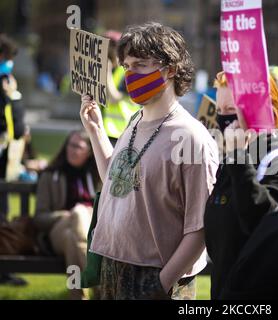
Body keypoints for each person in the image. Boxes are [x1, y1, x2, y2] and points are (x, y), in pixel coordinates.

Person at [80, 22, 218, 300]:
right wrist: (94, 131)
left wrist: (160, 285)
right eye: (127, 65)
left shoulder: (191, 138)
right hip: (112, 267)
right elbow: (116, 182)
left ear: (169, 69)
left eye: (140, 64)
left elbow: (200, 226)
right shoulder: (135, 121)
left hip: (156, 278)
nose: (130, 74)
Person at [204, 71, 278, 299]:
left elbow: (265, 229)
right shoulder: (233, 159)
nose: (223, 120)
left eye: (231, 111)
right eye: (219, 111)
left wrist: (238, 159)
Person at [33, 130, 101, 299]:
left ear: (89, 152)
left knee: (72, 238)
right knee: (78, 213)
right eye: (70, 145)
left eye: (78, 146)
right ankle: (101, 289)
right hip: (57, 232)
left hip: (88, 233)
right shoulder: (50, 176)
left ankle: (77, 296)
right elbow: (40, 218)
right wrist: (66, 215)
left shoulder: (98, 176)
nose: (72, 150)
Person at [0, 33, 26, 287]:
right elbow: (17, 127)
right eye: (5, 58)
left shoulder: (5, 85)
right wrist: (13, 97)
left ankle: (4, 271)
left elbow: (17, 131)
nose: (8, 64)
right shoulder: (6, 89)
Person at [101, 30, 140, 145]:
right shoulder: (106, 69)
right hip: (103, 130)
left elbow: (114, 99)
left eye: (111, 46)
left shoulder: (127, 72)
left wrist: (106, 72)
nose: (107, 50)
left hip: (120, 132)